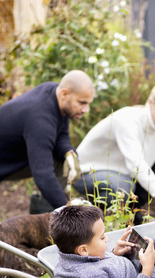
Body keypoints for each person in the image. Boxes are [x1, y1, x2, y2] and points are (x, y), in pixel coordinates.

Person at [73, 80, 155, 219]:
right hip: (85, 173)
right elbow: (136, 163)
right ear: (150, 103)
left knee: (141, 190)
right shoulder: (128, 120)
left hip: (123, 175)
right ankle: (92, 219)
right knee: (123, 188)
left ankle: (132, 225)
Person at [0, 70, 95, 212]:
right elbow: (43, 174)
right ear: (64, 93)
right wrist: (68, 210)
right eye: (82, 103)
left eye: (88, 103)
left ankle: (44, 217)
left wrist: (69, 153)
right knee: (48, 172)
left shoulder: (54, 94)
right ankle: (49, 218)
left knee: (62, 161)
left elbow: (61, 133)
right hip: (5, 161)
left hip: (15, 154)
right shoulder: (40, 119)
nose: (86, 109)